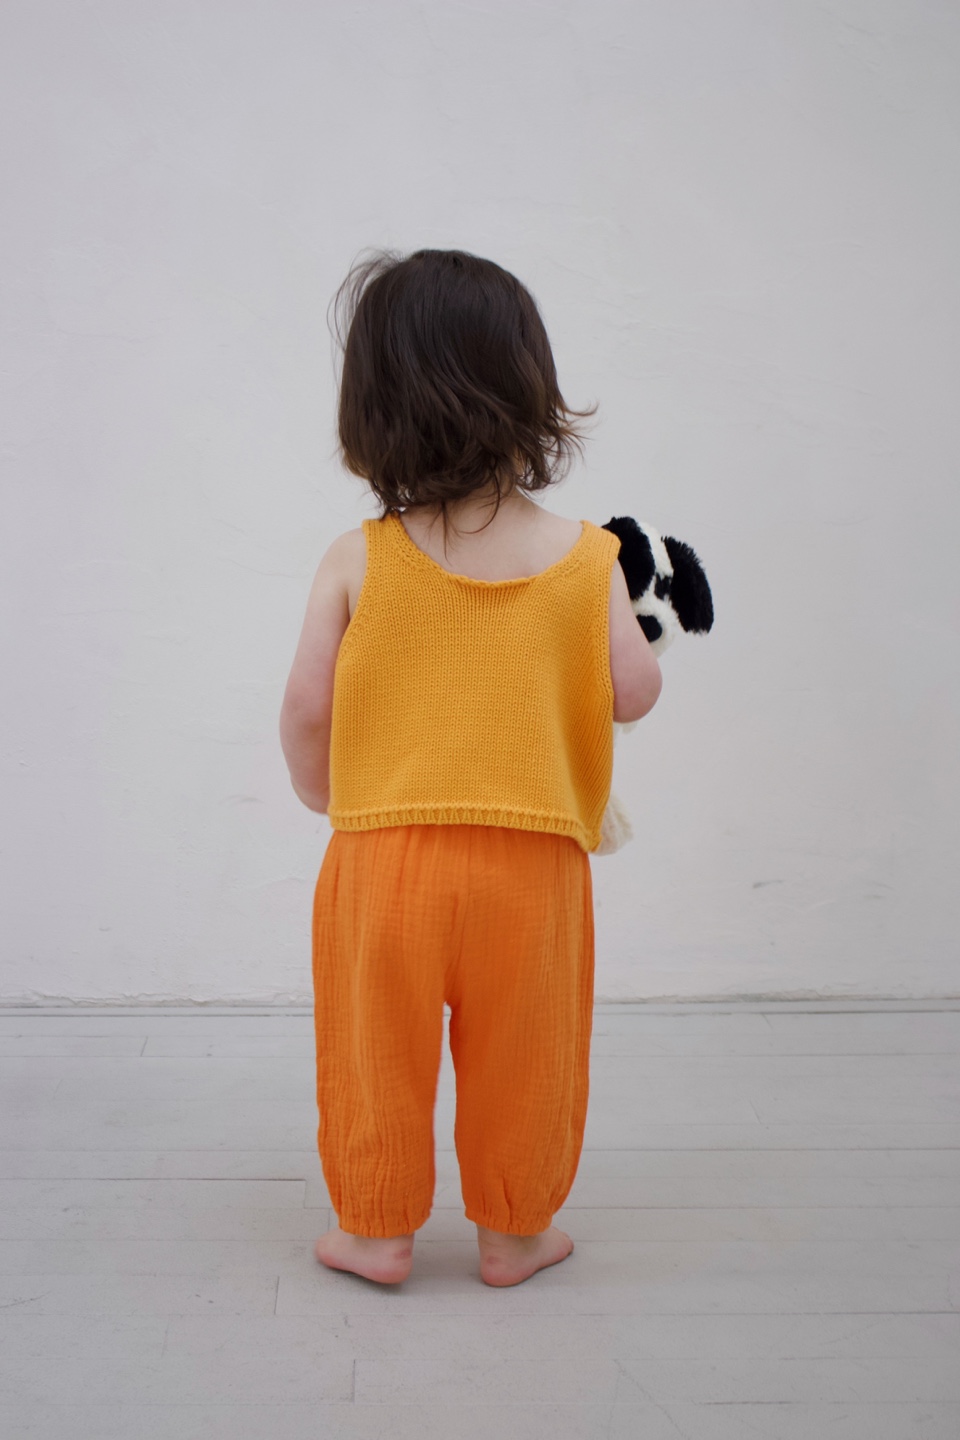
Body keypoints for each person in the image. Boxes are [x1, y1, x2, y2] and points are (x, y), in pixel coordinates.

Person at [279, 248, 662, 1287]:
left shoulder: (357, 557)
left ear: (373, 410)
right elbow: (634, 693)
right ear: (532, 394)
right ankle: (515, 1232)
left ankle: (374, 1232)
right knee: (528, 1056)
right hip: (532, 869)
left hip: (383, 862)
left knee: (373, 1053)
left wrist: (326, 794)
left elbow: (307, 707)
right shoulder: (589, 558)